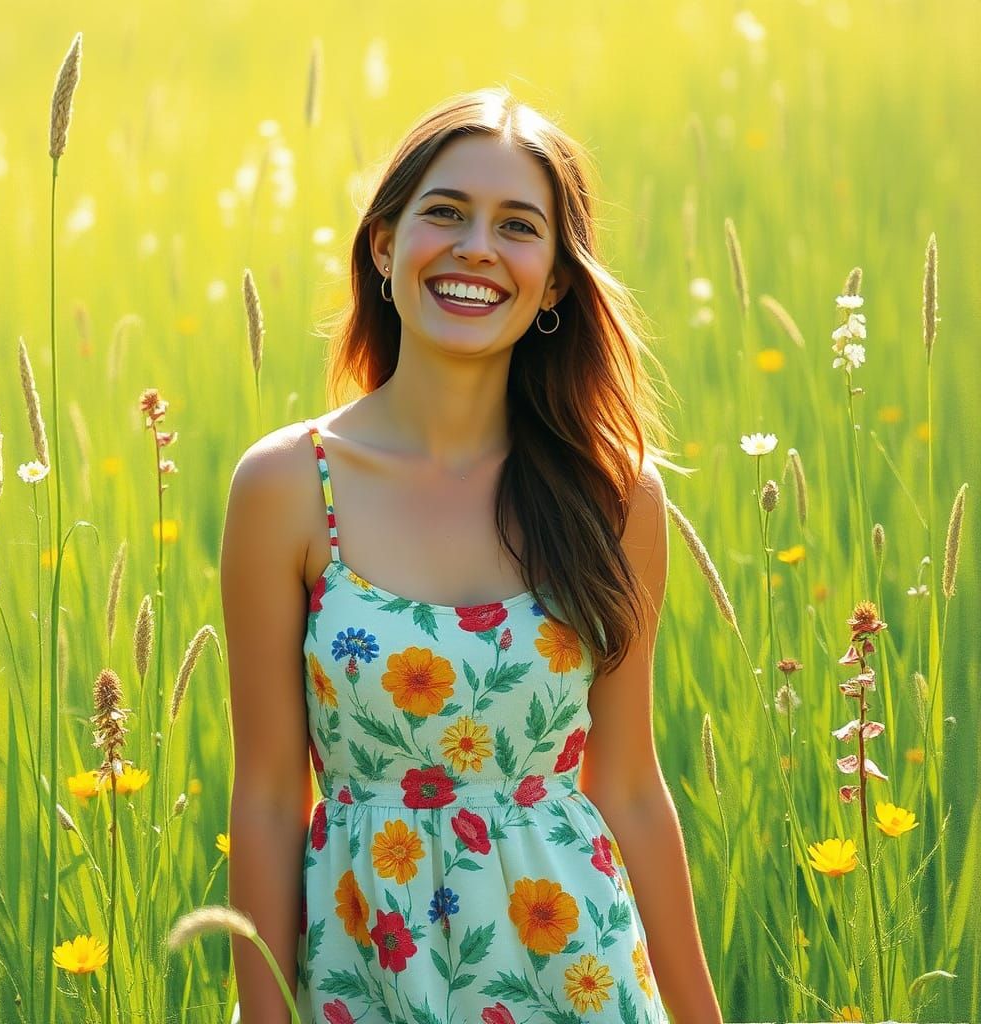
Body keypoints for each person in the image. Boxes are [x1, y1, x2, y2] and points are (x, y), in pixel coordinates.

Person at [220, 86, 724, 1024]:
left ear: (557, 281)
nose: (476, 249)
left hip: (580, 976)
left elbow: (628, 785)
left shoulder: (613, 496)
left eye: (518, 226)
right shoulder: (290, 487)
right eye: (445, 212)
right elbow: (264, 796)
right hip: (367, 979)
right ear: (384, 244)